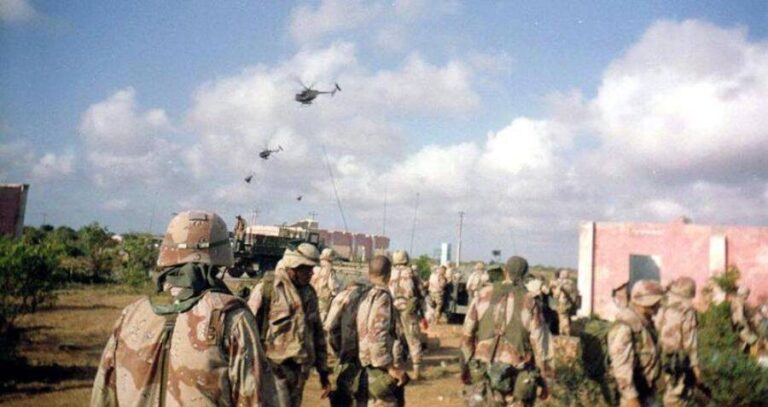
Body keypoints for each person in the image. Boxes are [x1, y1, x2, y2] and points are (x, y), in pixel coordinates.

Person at [91, 210, 274, 406]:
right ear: (220, 257)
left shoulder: (131, 314)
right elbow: (255, 398)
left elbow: (103, 394)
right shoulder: (231, 317)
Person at [247, 243, 331, 407]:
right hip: (273, 370)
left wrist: (323, 372)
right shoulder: (268, 289)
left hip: (299, 372)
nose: (311, 273)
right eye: (306, 268)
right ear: (293, 266)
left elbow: (317, 334)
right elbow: (248, 331)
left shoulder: (309, 293)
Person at [460, 256, 551, 407]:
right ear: (525, 275)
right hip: (516, 373)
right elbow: (540, 345)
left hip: (484, 371)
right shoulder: (531, 301)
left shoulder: (482, 294)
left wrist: (467, 366)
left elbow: (467, 336)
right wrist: (545, 379)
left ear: (505, 272)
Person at [358, 255, 409, 406]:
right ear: (388, 274)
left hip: (366, 364)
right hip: (379, 369)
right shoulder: (383, 298)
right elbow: (377, 335)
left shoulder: (366, 295)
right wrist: (390, 367)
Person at [607, 279, 664, 407]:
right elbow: (621, 368)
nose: (658, 306)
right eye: (655, 303)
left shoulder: (645, 323)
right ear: (644, 302)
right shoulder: (625, 326)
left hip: (646, 393)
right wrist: (632, 400)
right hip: (631, 398)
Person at [324, 278, 372, 406]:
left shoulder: (338, 296)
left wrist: (339, 351)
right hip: (356, 351)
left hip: (338, 347)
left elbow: (332, 327)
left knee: (341, 388)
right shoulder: (362, 299)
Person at [657, 277, 700, 407]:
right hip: (678, 360)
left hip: (659, 357)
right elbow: (689, 340)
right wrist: (695, 366)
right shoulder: (686, 310)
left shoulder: (663, 304)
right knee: (677, 398)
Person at [388, 250, 425, 380]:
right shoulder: (411, 272)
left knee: (396, 339)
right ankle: (416, 372)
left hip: (393, 308)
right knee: (413, 338)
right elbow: (420, 291)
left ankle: (396, 368)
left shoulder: (390, 273)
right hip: (408, 309)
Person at [311, 247, 340, 323]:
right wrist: (335, 294)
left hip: (313, 295)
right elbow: (333, 286)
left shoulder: (314, 267)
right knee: (322, 317)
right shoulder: (330, 270)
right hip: (324, 298)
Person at [550, 270, 579, 336]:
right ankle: (564, 334)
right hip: (569, 304)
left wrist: (556, 287)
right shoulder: (571, 283)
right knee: (565, 320)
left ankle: (565, 335)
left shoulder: (564, 284)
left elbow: (556, 295)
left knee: (563, 321)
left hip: (563, 304)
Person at [731, 286, 759, 353]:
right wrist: (747, 326)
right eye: (747, 294)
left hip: (738, 326)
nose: (747, 296)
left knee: (744, 345)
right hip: (742, 327)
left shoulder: (736, 300)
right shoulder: (739, 302)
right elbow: (740, 317)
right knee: (754, 341)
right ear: (743, 294)